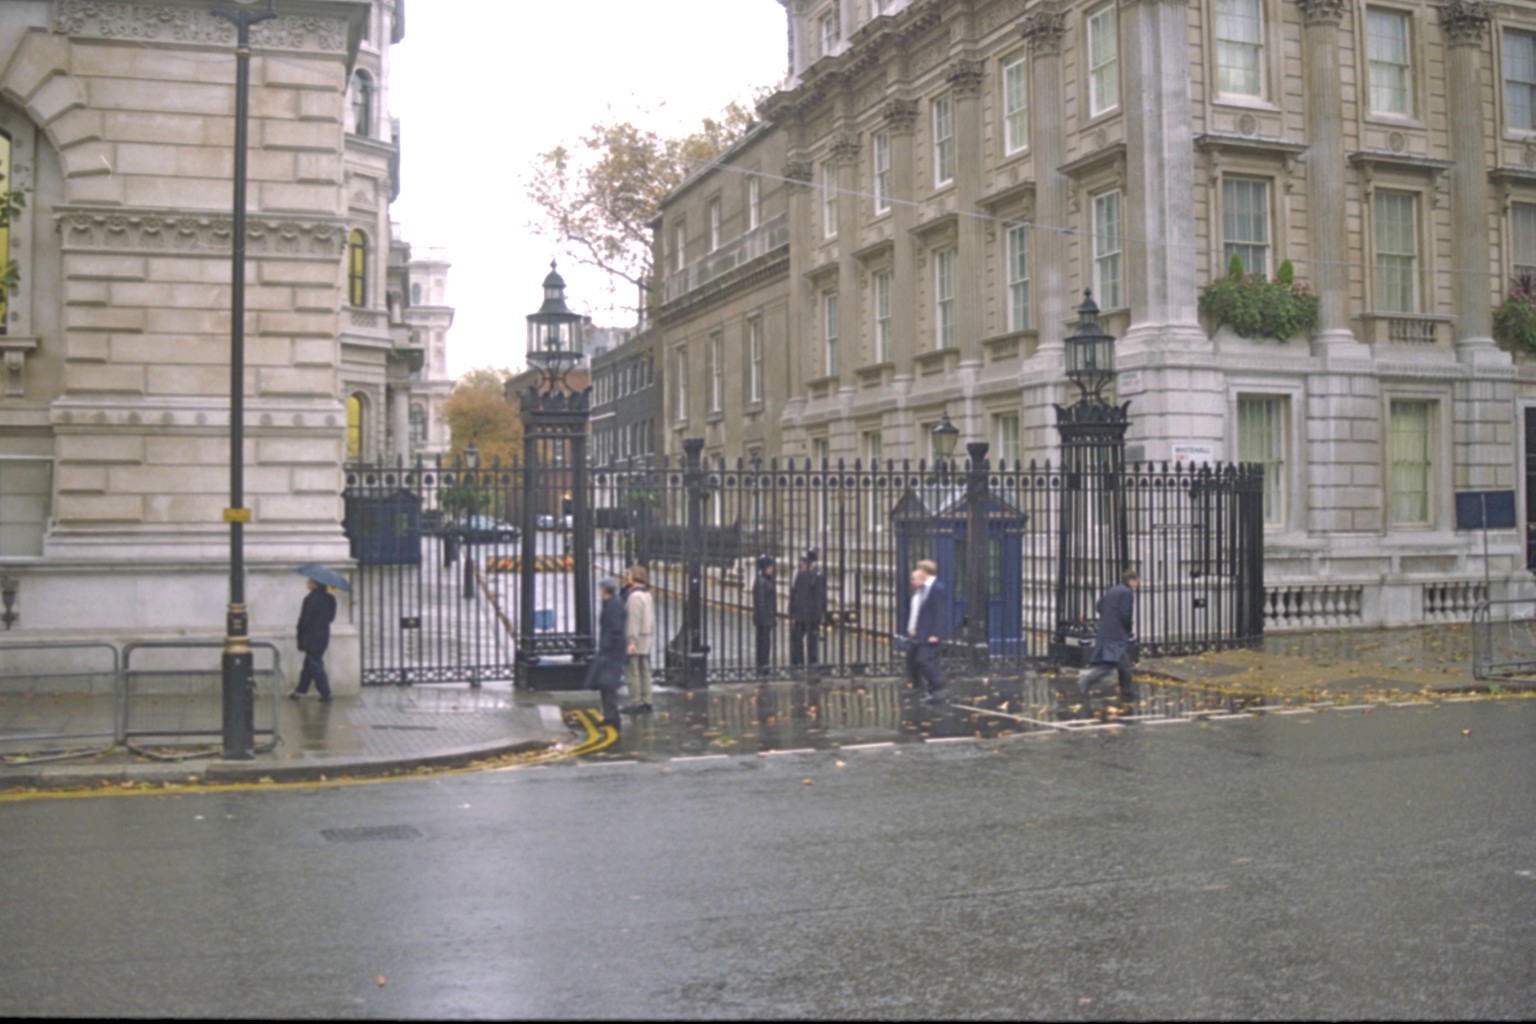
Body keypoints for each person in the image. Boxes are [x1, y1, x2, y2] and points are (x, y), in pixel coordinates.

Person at [1079, 568, 1141, 703]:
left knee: (1123, 665)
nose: (1138, 584)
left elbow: (1099, 606)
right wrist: (1128, 629)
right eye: (1137, 580)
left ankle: (1127, 694)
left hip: (1107, 630)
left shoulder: (1113, 590)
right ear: (1131, 580)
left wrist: (1109, 616)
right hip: (1117, 633)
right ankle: (1087, 680)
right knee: (1110, 665)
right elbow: (1125, 614)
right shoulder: (1127, 593)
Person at [905, 559, 951, 703]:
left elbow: (940, 613)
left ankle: (939, 685)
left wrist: (936, 634)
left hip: (931, 633)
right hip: (922, 632)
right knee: (915, 659)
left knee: (923, 660)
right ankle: (929, 688)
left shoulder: (937, 588)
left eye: (918, 571)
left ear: (924, 572)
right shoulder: (924, 588)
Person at [585, 576, 628, 728]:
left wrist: (607, 646)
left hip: (612, 652)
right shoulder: (610, 603)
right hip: (609, 650)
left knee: (609, 685)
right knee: (605, 684)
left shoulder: (614, 605)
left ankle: (613, 718)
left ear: (605, 589)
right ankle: (609, 716)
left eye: (600, 588)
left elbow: (615, 628)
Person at [290, 578, 337, 702]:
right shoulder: (331, 599)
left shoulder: (310, 599)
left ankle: (326, 693)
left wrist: (300, 634)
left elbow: (304, 619)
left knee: (315, 664)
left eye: (309, 582)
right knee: (309, 664)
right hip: (323, 634)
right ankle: (300, 691)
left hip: (310, 635)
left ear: (315, 584)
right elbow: (331, 618)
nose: (307, 583)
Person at [621, 564, 655, 715]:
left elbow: (633, 621)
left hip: (636, 638)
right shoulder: (647, 595)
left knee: (633, 671)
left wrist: (631, 642)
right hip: (646, 636)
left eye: (629, 574)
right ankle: (647, 700)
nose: (626, 577)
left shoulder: (634, 597)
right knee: (645, 669)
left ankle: (636, 702)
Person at [789, 548, 826, 670]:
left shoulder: (817, 576)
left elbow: (820, 597)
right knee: (796, 639)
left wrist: (820, 615)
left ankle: (812, 664)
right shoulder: (799, 574)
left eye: (805, 562)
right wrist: (792, 611)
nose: (803, 564)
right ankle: (797, 663)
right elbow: (794, 593)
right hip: (800, 614)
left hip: (812, 615)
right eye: (803, 561)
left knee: (812, 642)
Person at [753, 554, 776, 672]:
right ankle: (763, 665)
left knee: (764, 642)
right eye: (770, 566)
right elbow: (761, 602)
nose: (772, 568)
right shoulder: (762, 582)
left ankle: (763, 664)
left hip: (765, 617)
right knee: (764, 643)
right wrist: (766, 618)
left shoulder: (765, 579)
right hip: (764, 618)